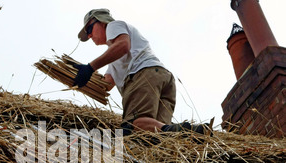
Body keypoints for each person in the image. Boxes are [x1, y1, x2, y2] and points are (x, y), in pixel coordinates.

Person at [73, 8, 210, 136]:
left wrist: (90, 67)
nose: (90, 35)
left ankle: (186, 130)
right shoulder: (113, 57)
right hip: (162, 77)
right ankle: (189, 133)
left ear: (102, 21)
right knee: (153, 135)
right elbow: (105, 85)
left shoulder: (113, 26)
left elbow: (123, 46)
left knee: (133, 125)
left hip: (144, 75)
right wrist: (75, 80)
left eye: (90, 28)